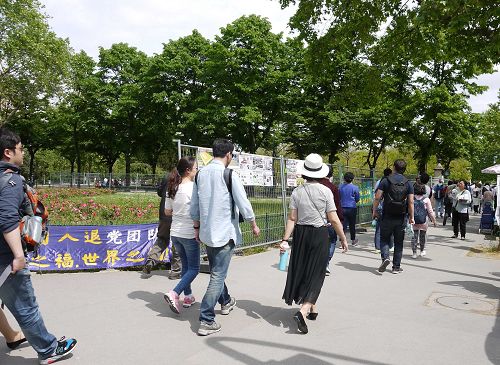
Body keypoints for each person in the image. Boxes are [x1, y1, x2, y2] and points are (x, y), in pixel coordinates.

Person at [0, 128, 77, 364]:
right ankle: (48, 349)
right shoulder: (10, 181)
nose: (23, 152)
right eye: (21, 149)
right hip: (5, 257)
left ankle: (12, 336)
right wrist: (18, 255)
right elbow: (6, 220)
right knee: (26, 306)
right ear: (8, 152)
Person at [190, 139, 260, 336]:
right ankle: (206, 318)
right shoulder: (229, 174)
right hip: (225, 232)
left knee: (216, 270)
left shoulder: (201, 174)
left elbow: (194, 205)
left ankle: (226, 301)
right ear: (229, 154)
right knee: (217, 275)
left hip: (207, 233)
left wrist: (196, 228)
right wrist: (253, 224)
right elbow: (243, 203)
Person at [280, 153, 348, 334]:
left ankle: (313, 308)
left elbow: (292, 218)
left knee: (304, 270)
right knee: (317, 273)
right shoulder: (326, 191)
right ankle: (303, 311)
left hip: (301, 235)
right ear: (320, 172)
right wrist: (342, 237)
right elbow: (333, 219)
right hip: (319, 234)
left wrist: (285, 239)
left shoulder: (297, 191)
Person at [164, 157, 200, 314]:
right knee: (194, 268)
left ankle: (188, 296)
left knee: (186, 266)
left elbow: (167, 211)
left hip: (175, 233)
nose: (197, 170)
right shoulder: (194, 188)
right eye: (196, 168)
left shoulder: (172, 188)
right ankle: (175, 292)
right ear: (188, 170)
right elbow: (197, 212)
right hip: (189, 232)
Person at [372, 159, 414, 274]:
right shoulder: (408, 183)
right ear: (404, 169)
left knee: (384, 238)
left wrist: (374, 210)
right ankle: (396, 267)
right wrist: (411, 216)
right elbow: (410, 202)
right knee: (399, 242)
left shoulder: (386, 180)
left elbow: (377, 197)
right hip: (401, 217)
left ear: (394, 167)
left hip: (387, 215)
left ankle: (385, 257)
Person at [142, 175, 182, 279]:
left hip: (164, 215)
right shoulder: (184, 180)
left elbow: (159, 192)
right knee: (178, 243)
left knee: (162, 239)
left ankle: (151, 259)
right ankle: (175, 271)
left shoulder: (166, 177)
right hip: (178, 215)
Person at [319, 166, 343, 275]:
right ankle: (326, 263)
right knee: (332, 240)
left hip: (315, 220)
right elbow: (337, 205)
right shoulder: (333, 188)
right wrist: (340, 220)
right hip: (330, 220)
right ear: (331, 175)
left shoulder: (315, 186)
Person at [411, 183, 436, 258]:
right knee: (423, 236)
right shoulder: (426, 199)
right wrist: (434, 220)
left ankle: (414, 253)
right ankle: (422, 251)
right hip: (424, 220)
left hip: (414, 220)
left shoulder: (411, 198)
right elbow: (430, 211)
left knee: (414, 237)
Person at [374, 168, 394, 254]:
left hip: (379, 206)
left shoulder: (379, 182)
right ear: (390, 174)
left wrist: (374, 209)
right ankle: (390, 245)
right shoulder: (391, 182)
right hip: (389, 207)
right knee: (390, 227)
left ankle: (377, 247)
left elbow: (376, 196)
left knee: (378, 228)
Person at [339, 172, 360, 246]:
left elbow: (338, 197)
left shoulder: (340, 187)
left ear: (344, 179)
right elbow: (357, 198)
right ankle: (353, 240)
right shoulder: (355, 188)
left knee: (343, 225)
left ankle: (342, 241)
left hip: (342, 207)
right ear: (352, 179)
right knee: (352, 225)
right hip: (352, 208)